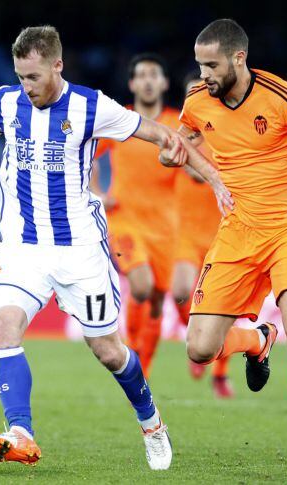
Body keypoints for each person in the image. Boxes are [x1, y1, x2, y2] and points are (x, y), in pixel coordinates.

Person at [0, 25, 231, 471]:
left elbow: (152, 131)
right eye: (19, 76)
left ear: (57, 65)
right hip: (22, 247)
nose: (25, 87)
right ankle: (20, 433)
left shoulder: (91, 106)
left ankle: (151, 423)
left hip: (80, 251)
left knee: (109, 351)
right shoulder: (7, 101)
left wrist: (198, 165)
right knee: (4, 323)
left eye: (33, 77)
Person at [169, 19, 287, 476]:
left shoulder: (281, 96)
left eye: (211, 65)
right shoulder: (196, 100)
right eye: (199, 65)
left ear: (238, 58)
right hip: (237, 232)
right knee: (199, 349)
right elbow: (185, 141)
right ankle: (256, 341)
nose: (203, 74)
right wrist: (201, 171)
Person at [90, 53, 181, 379]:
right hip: (124, 221)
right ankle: (128, 350)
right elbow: (88, 155)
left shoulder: (177, 123)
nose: (147, 80)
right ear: (131, 83)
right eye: (140, 75)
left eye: (153, 74)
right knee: (141, 286)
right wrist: (97, 193)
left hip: (166, 227)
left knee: (156, 300)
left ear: (164, 82)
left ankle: (142, 368)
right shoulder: (122, 121)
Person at [172, 73, 234, 399]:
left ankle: (220, 374)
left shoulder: (222, 133)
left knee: (224, 309)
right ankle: (193, 337)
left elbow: (198, 176)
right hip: (186, 233)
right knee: (181, 290)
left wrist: (186, 159)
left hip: (221, 232)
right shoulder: (179, 134)